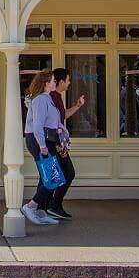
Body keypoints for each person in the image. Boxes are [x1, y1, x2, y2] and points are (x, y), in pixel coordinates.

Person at [22, 70, 63, 226]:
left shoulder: (46, 98)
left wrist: (62, 131)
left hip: (45, 139)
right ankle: (31, 206)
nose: (55, 82)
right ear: (46, 83)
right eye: (53, 80)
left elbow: (52, 121)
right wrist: (42, 145)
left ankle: (41, 211)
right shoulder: (40, 100)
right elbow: (38, 125)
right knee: (53, 176)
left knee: (48, 177)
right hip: (39, 140)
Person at [44, 67, 85, 220]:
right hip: (54, 142)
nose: (69, 83)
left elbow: (63, 116)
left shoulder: (58, 97)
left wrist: (78, 106)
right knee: (66, 173)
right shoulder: (52, 97)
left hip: (57, 141)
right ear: (61, 81)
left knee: (55, 175)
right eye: (68, 80)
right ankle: (52, 205)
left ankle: (49, 206)